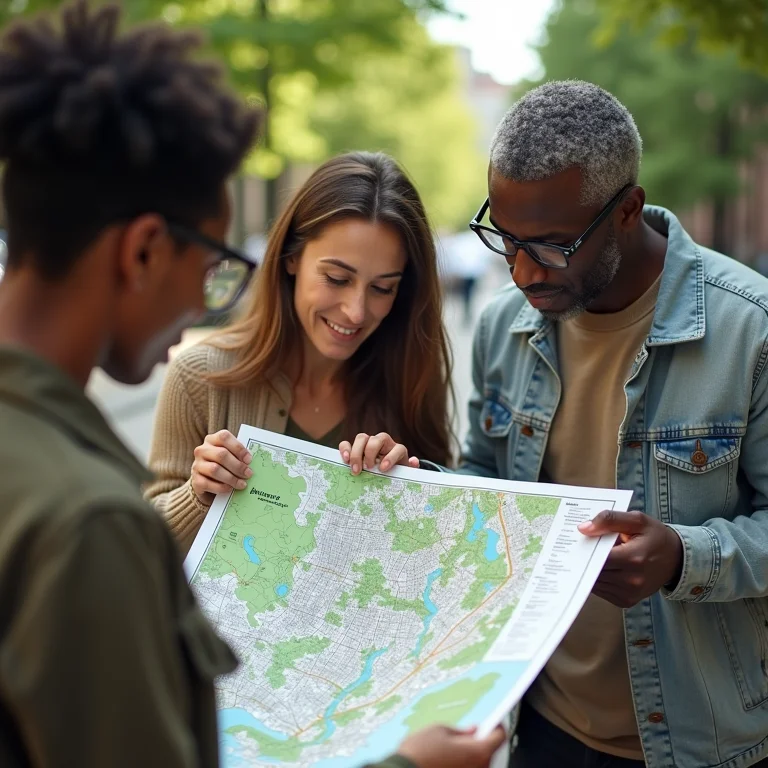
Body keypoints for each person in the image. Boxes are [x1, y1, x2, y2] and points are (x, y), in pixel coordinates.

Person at [0, 2, 502, 766]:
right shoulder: (87, 523)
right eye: (211, 267)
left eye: (383, 287)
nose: (210, 301)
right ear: (142, 251)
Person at [353, 80, 768, 768]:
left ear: (627, 211)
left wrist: (682, 557)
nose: (519, 272)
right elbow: (490, 480)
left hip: (707, 743)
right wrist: (423, 485)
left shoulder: (750, 330)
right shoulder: (503, 327)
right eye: (505, 238)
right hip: (540, 726)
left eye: (548, 245)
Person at [145, 151, 454, 555]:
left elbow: (443, 537)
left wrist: (414, 483)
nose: (357, 311)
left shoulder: (408, 374)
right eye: (337, 278)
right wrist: (198, 495)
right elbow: (144, 546)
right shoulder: (198, 376)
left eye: (383, 288)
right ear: (291, 258)